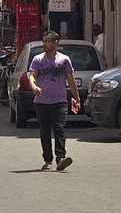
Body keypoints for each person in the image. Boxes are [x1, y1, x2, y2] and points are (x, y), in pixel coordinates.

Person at [24, 31, 82, 171]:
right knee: (45, 132)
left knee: (59, 128)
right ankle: (47, 160)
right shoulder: (38, 59)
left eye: (47, 41)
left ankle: (60, 158)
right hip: (41, 102)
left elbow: (70, 80)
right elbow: (32, 76)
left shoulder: (64, 60)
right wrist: (34, 86)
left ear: (55, 43)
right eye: (43, 41)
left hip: (60, 101)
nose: (44, 44)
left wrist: (77, 98)